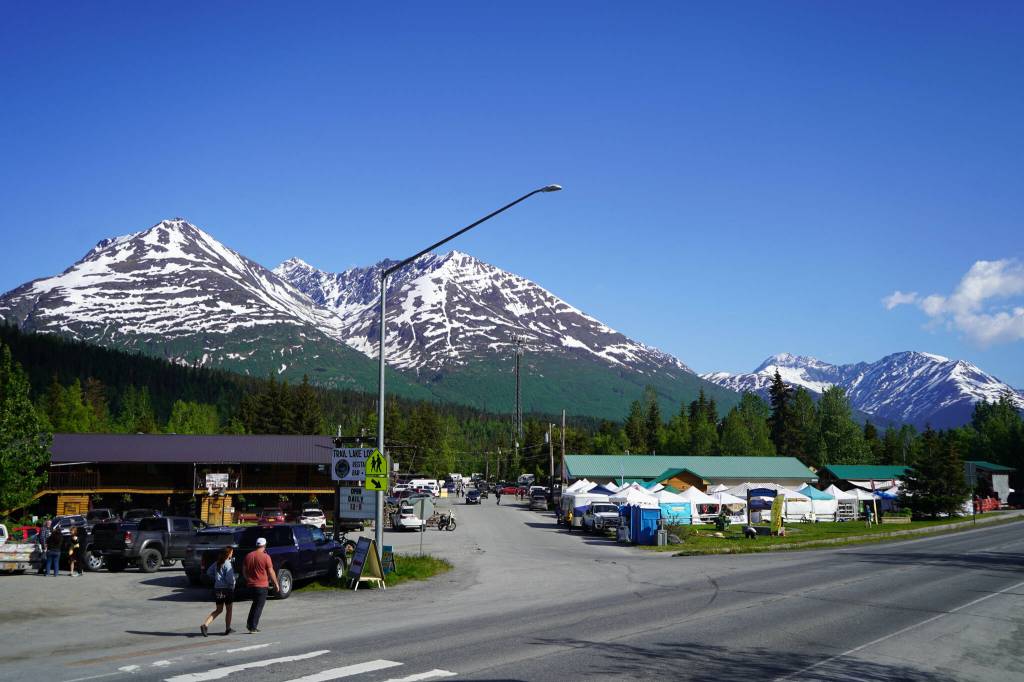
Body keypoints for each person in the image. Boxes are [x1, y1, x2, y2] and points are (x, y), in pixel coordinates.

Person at [243, 537, 280, 633]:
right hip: (262, 585)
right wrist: (276, 583)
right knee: (259, 606)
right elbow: (271, 571)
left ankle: (249, 624)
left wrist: (247, 579)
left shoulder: (249, 556)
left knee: (255, 604)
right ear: (264, 545)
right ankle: (253, 627)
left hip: (251, 584)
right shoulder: (266, 557)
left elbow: (244, 570)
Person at [201, 547, 236, 636]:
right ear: (228, 554)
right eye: (232, 552)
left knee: (218, 609)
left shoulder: (217, 563)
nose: (232, 554)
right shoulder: (227, 564)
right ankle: (228, 628)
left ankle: (205, 624)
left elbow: (209, 572)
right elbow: (230, 578)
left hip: (218, 589)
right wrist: (232, 585)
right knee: (229, 609)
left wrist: (217, 579)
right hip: (227, 589)